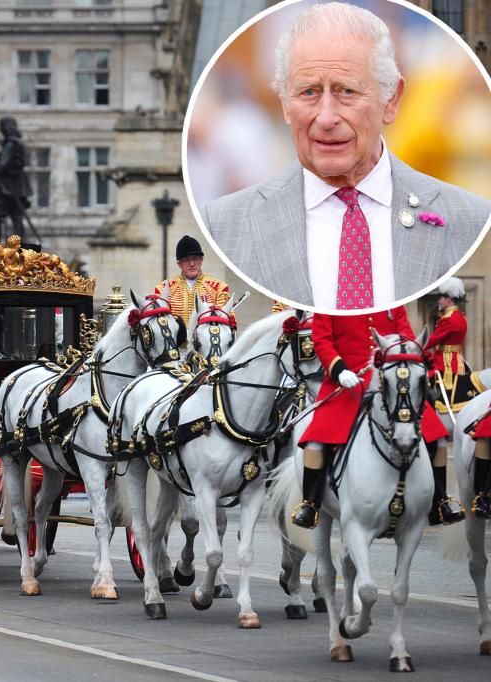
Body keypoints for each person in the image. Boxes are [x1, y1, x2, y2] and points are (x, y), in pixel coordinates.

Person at [201, 2, 491, 309]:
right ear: (285, 104)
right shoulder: (220, 225)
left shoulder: (471, 220)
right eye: (308, 92)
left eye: (348, 91)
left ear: (391, 100)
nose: (326, 118)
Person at [292, 307, 464, 529]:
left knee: (438, 438)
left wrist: (412, 358)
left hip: (391, 383)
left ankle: (440, 501)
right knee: (316, 442)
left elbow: (406, 338)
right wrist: (339, 370)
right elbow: (322, 341)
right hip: (346, 382)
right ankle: (311, 503)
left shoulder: (392, 302)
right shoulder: (330, 302)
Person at [153, 235, 231, 332]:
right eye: (186, 260)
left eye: (195, 258)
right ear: (179, 264)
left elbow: (227, 324)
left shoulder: (219, 287)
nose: (191, 264)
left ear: (201, 260)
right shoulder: (163, 288)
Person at [425, 277, 473, 414]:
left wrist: (416, 347)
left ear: (449, 298)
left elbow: (432, 341)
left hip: (445, 363)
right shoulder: (461, 317)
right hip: (457, 360)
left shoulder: (448, 320)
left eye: (441, 297)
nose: (439, 300)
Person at [0, 116, 32, 241]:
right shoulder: (15, 143)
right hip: (14, 186)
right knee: (16, 216)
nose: (2, 130)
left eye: (3, 127)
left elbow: (2, 165)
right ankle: (22, 244)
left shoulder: (12, 144)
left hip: (8, 187)